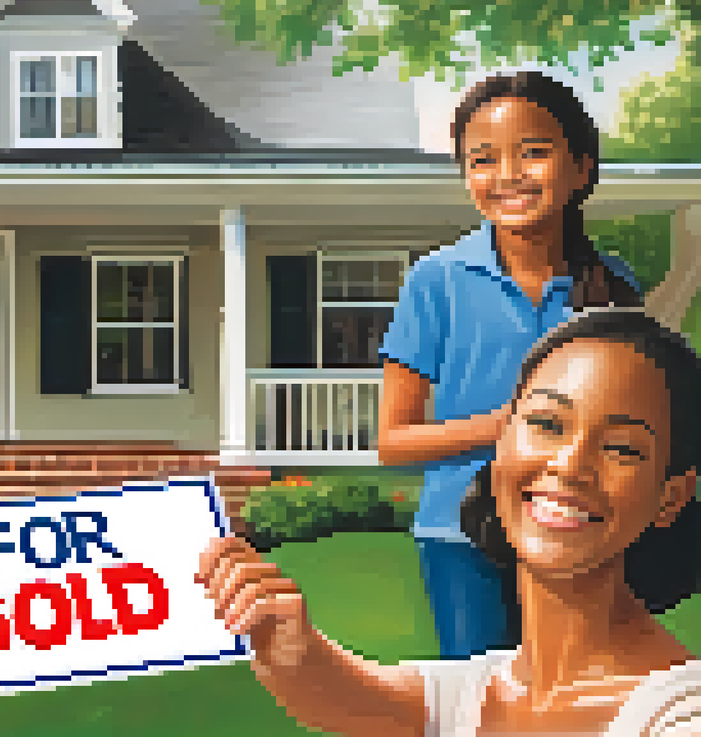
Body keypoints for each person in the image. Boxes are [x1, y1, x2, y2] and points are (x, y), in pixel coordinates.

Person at [200, 308, 701, 735]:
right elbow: (346, 692)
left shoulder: (679, 716)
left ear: (670, 496)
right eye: (546, 424)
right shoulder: (480, 688)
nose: (570, 464)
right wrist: (288, 642)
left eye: (621, 448)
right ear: (500, 441)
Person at [378, 71, 645, 660]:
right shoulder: (437, 281)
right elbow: (394, 441)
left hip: (578, 526)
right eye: (482, 159)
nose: (507, 176)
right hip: (460, 533)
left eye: (533, 153)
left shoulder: (617, 287)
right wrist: (513, 424)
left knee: (578, 695)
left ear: (582, 167)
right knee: (486, 702)